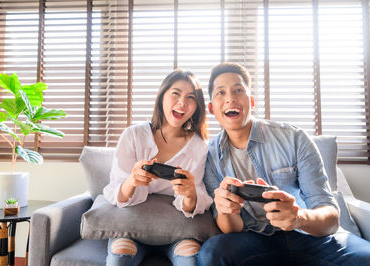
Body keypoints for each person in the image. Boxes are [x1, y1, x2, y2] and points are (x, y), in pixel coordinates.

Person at [198, 62, 370, 265]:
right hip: (253, 239)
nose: (230, 98)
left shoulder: (294, 138)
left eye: (238, 90)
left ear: (251, 102)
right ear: (211, 108)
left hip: (309, 235)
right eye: (220, 93)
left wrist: (299, 218)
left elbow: (330, 217)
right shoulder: (209, 155)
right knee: (212, 254)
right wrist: (226, 210)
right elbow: (231, 229)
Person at [103, 69, 213, 266]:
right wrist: (131, 181)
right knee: (120, 255)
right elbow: (116, 193)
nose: (182, 103)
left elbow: (195, 202)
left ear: (196, 107)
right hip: (131, 227)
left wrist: (189, 194)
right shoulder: (133, 136)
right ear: (162, 96)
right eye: (176, 93)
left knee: (189, 258)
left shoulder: (199, 146)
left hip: (178, 231)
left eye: (191, 97)